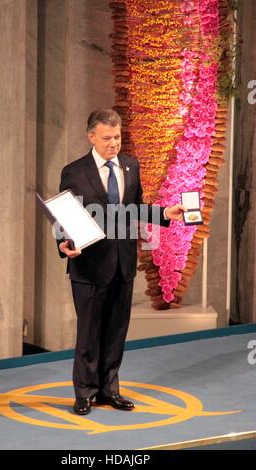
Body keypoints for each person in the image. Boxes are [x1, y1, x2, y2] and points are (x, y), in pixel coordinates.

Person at [57, 108, 186, 415]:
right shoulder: (74, 171)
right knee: (89, 332)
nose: (113, 143)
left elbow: (136, 207)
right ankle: (84, 393)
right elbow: (65, 216)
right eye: (106, 138)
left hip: (123, 264)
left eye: (117, 137)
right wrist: (63, 244)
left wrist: (164, 214)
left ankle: (108, 390)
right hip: (88, 266)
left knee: (116, 331)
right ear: (91, 137)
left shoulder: (131, 166)